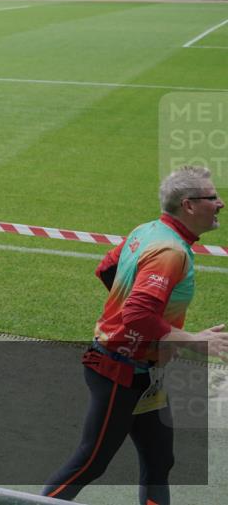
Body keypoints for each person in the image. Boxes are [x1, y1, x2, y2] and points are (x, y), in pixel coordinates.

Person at [42, 166, 227, 504]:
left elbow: (107, 269)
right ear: (188, 205)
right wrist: (191, 340)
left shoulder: (148, 230)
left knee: (159, 460)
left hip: (142, 373)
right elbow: (137, 315)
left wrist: (158, 334)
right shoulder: (169, 251)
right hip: (120, 373)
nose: (221, 203)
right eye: (213, 197)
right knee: (90, 463)